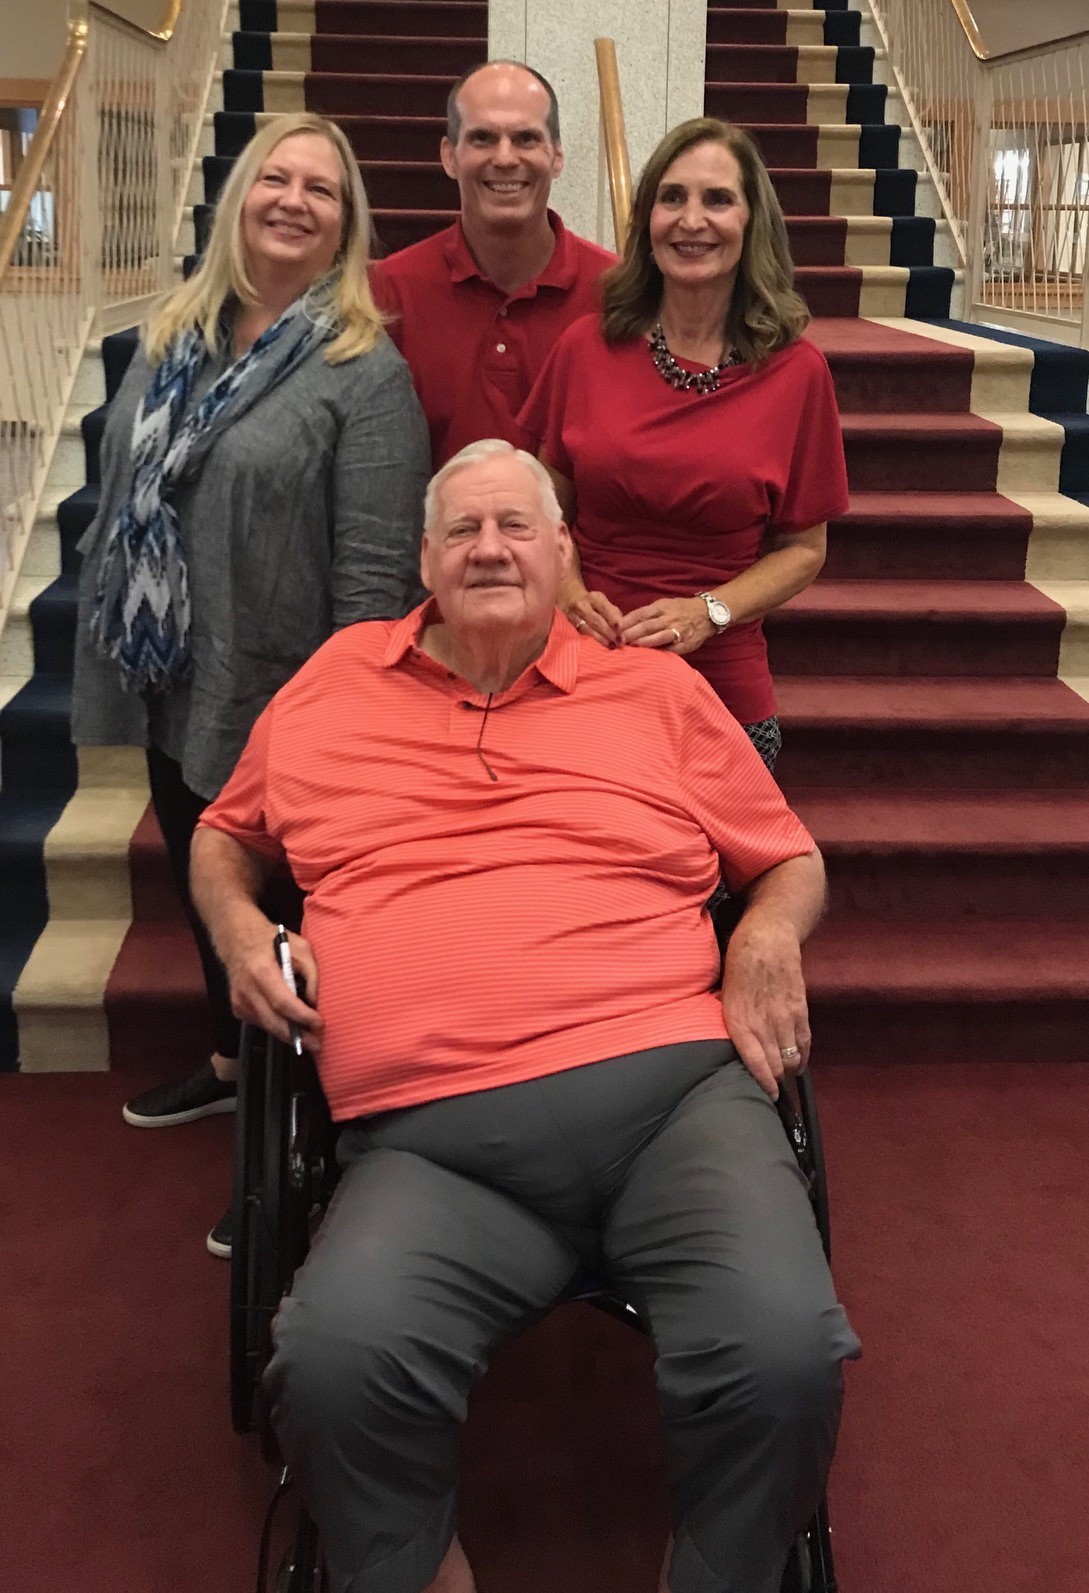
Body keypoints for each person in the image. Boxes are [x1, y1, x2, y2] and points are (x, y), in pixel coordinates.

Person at [190, 440, 860, 1593]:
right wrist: (243, 935)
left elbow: (788, 861)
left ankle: (721, 1569)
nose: (489, 548)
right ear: (424, 559)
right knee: (335, 1362)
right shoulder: (336, 683)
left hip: (675, 1110)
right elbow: (223, 835)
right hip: (429, 1142)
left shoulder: (657, 693)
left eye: (516, 526)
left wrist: (760, 933)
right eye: (462, 530)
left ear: (564, 552)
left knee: (786, 1353)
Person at [70, 111, 430, 1257]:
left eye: (321, 190)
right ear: (239, 198)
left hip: (285, 695)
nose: (293, 200)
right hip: (174, 675)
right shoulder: (176, 330)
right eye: (275, 177)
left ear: (346, 224)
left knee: (291, 919)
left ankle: (301, 1130)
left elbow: (376, 577)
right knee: (197, 872)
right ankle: (237, 1065)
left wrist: (342, 722)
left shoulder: (362, 369)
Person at [518, 116, 850, 774]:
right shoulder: (585, 348)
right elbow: (540, 505)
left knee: (703, 880)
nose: (690, 220)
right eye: (671, 198)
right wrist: (566, 587)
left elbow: (804, 551)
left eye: (716, 199)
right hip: (580, 671)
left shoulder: (797, 372)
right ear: (646, 219)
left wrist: (709, 611)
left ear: (752, 224)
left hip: (719, 692)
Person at [370, 60, 615, 465]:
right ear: (449, 156)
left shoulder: (616, 292)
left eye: (525, 139)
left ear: (556, 156)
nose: (505, 158)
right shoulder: (388, 293)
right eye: (483, 138)